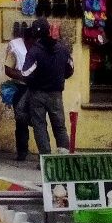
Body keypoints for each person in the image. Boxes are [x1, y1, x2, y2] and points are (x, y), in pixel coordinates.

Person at [20, 18, 74, 155]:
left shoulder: (34, 52)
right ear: (49, 30)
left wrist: (35, 80)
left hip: (37, 94)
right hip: (56, 94)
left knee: (39, 126)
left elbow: (25, 73)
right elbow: (70, 70)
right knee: (60, 127)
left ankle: (45, 159)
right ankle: (63, 158)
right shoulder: (63, 49)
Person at [4, 25, 37, 160]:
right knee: (21, 120)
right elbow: (8, 69)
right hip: (21, 88)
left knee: (38, 120)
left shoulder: (40, 48)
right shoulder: (15, 46)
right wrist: (24, 76)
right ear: (27, 39)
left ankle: (43, 153)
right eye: (33, 40)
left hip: (37, 89)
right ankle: (22, 151)